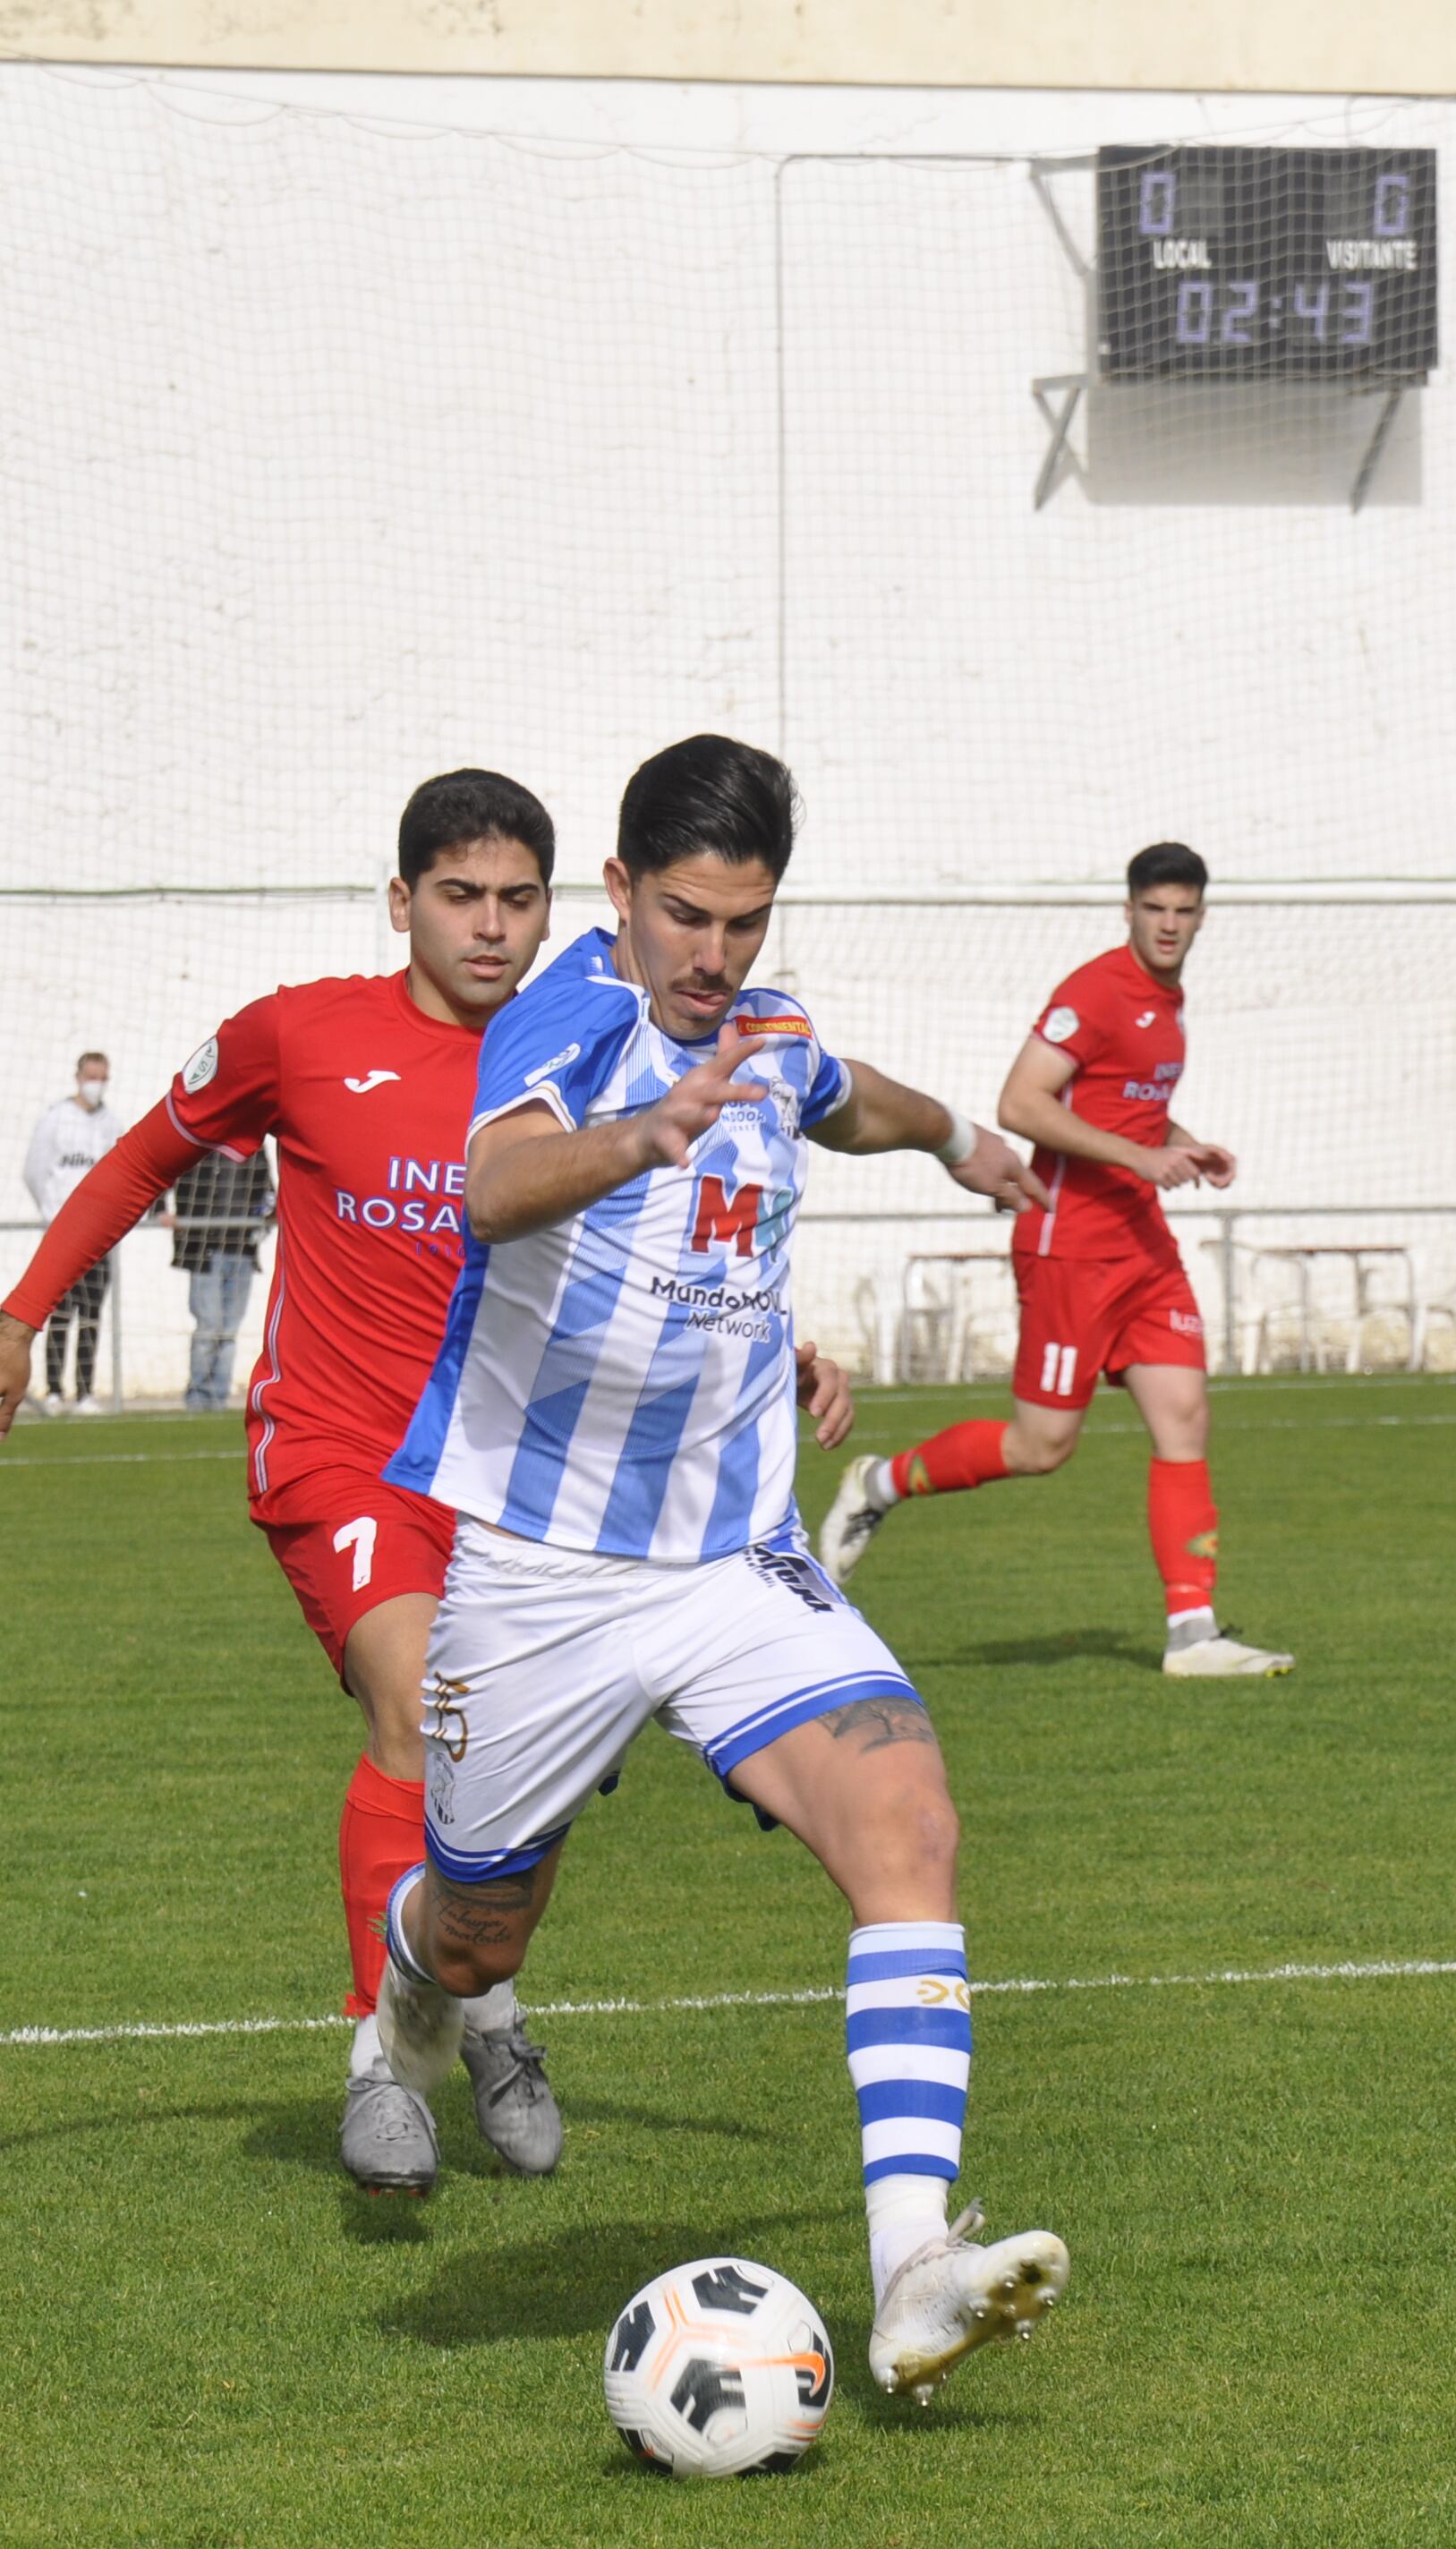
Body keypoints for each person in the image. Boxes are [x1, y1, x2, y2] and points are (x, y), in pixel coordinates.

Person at [370, 735, 1069, 2407]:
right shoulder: (573, 1017)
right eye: (684, 915)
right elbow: (489, 1185)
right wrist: (644, 1131)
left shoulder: (766, 1030)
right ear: (619, 891)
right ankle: (409, 2004)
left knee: (910, 1821)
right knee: (481, 1929)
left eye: (743, 922)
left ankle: (910, 2272)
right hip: (540, 1575)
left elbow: (849, 1100)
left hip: (730, 1558)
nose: (713, 955)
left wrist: (964, 1138)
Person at [0, 771, 570, 2195]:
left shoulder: (573, 1053)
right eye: (461, 896)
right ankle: (387, 2066)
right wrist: (17, 1317)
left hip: (508, 1474)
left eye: (517, 899)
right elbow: (139, 1159)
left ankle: (484, 2001)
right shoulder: (300, 1034)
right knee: (419, 1705)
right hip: (334, 1450)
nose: (489, 927)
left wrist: (773, 1344)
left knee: (500, 1764)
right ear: (403, 898)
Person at [815, 843, 1293, 1675]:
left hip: (1142, 1245)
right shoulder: (1095, 992)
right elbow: (1020, 1102)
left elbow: (1126, 1113)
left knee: (1184, 1418)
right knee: (1042, 1447)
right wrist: (1140, 1159)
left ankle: (1193, 1634)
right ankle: (881, 1482)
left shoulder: (1169, 1001)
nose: (1170, 925)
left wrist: (1182, 1146)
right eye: (1156, 910)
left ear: (1202, 916)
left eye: (1184, 911)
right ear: (1130, 910)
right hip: (1068, 1244)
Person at [21, 1052, 120, 1412]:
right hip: (62, 1234)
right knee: (60, 1314)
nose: (96, 1084)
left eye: (102, 1077)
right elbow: (34, 1170)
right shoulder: (55, 1119)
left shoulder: (111, 1123)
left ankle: (85, 1392)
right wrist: (53, 1215)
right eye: (91, 1076)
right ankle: (53, 1391)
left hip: (98, 1238)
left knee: (91, 1315)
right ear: (78, 1076)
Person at [167, 1142, 275, 1412]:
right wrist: (160, 1211)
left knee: (228, 1330)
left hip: (242, 1250)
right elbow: (161, 1170)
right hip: (205, 1249)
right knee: (209, 1326)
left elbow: (268, 1193)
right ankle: (198, 1396)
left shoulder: (254, 1146)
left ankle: (218, 1397)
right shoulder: (196, 1142)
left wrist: (261, 1223)